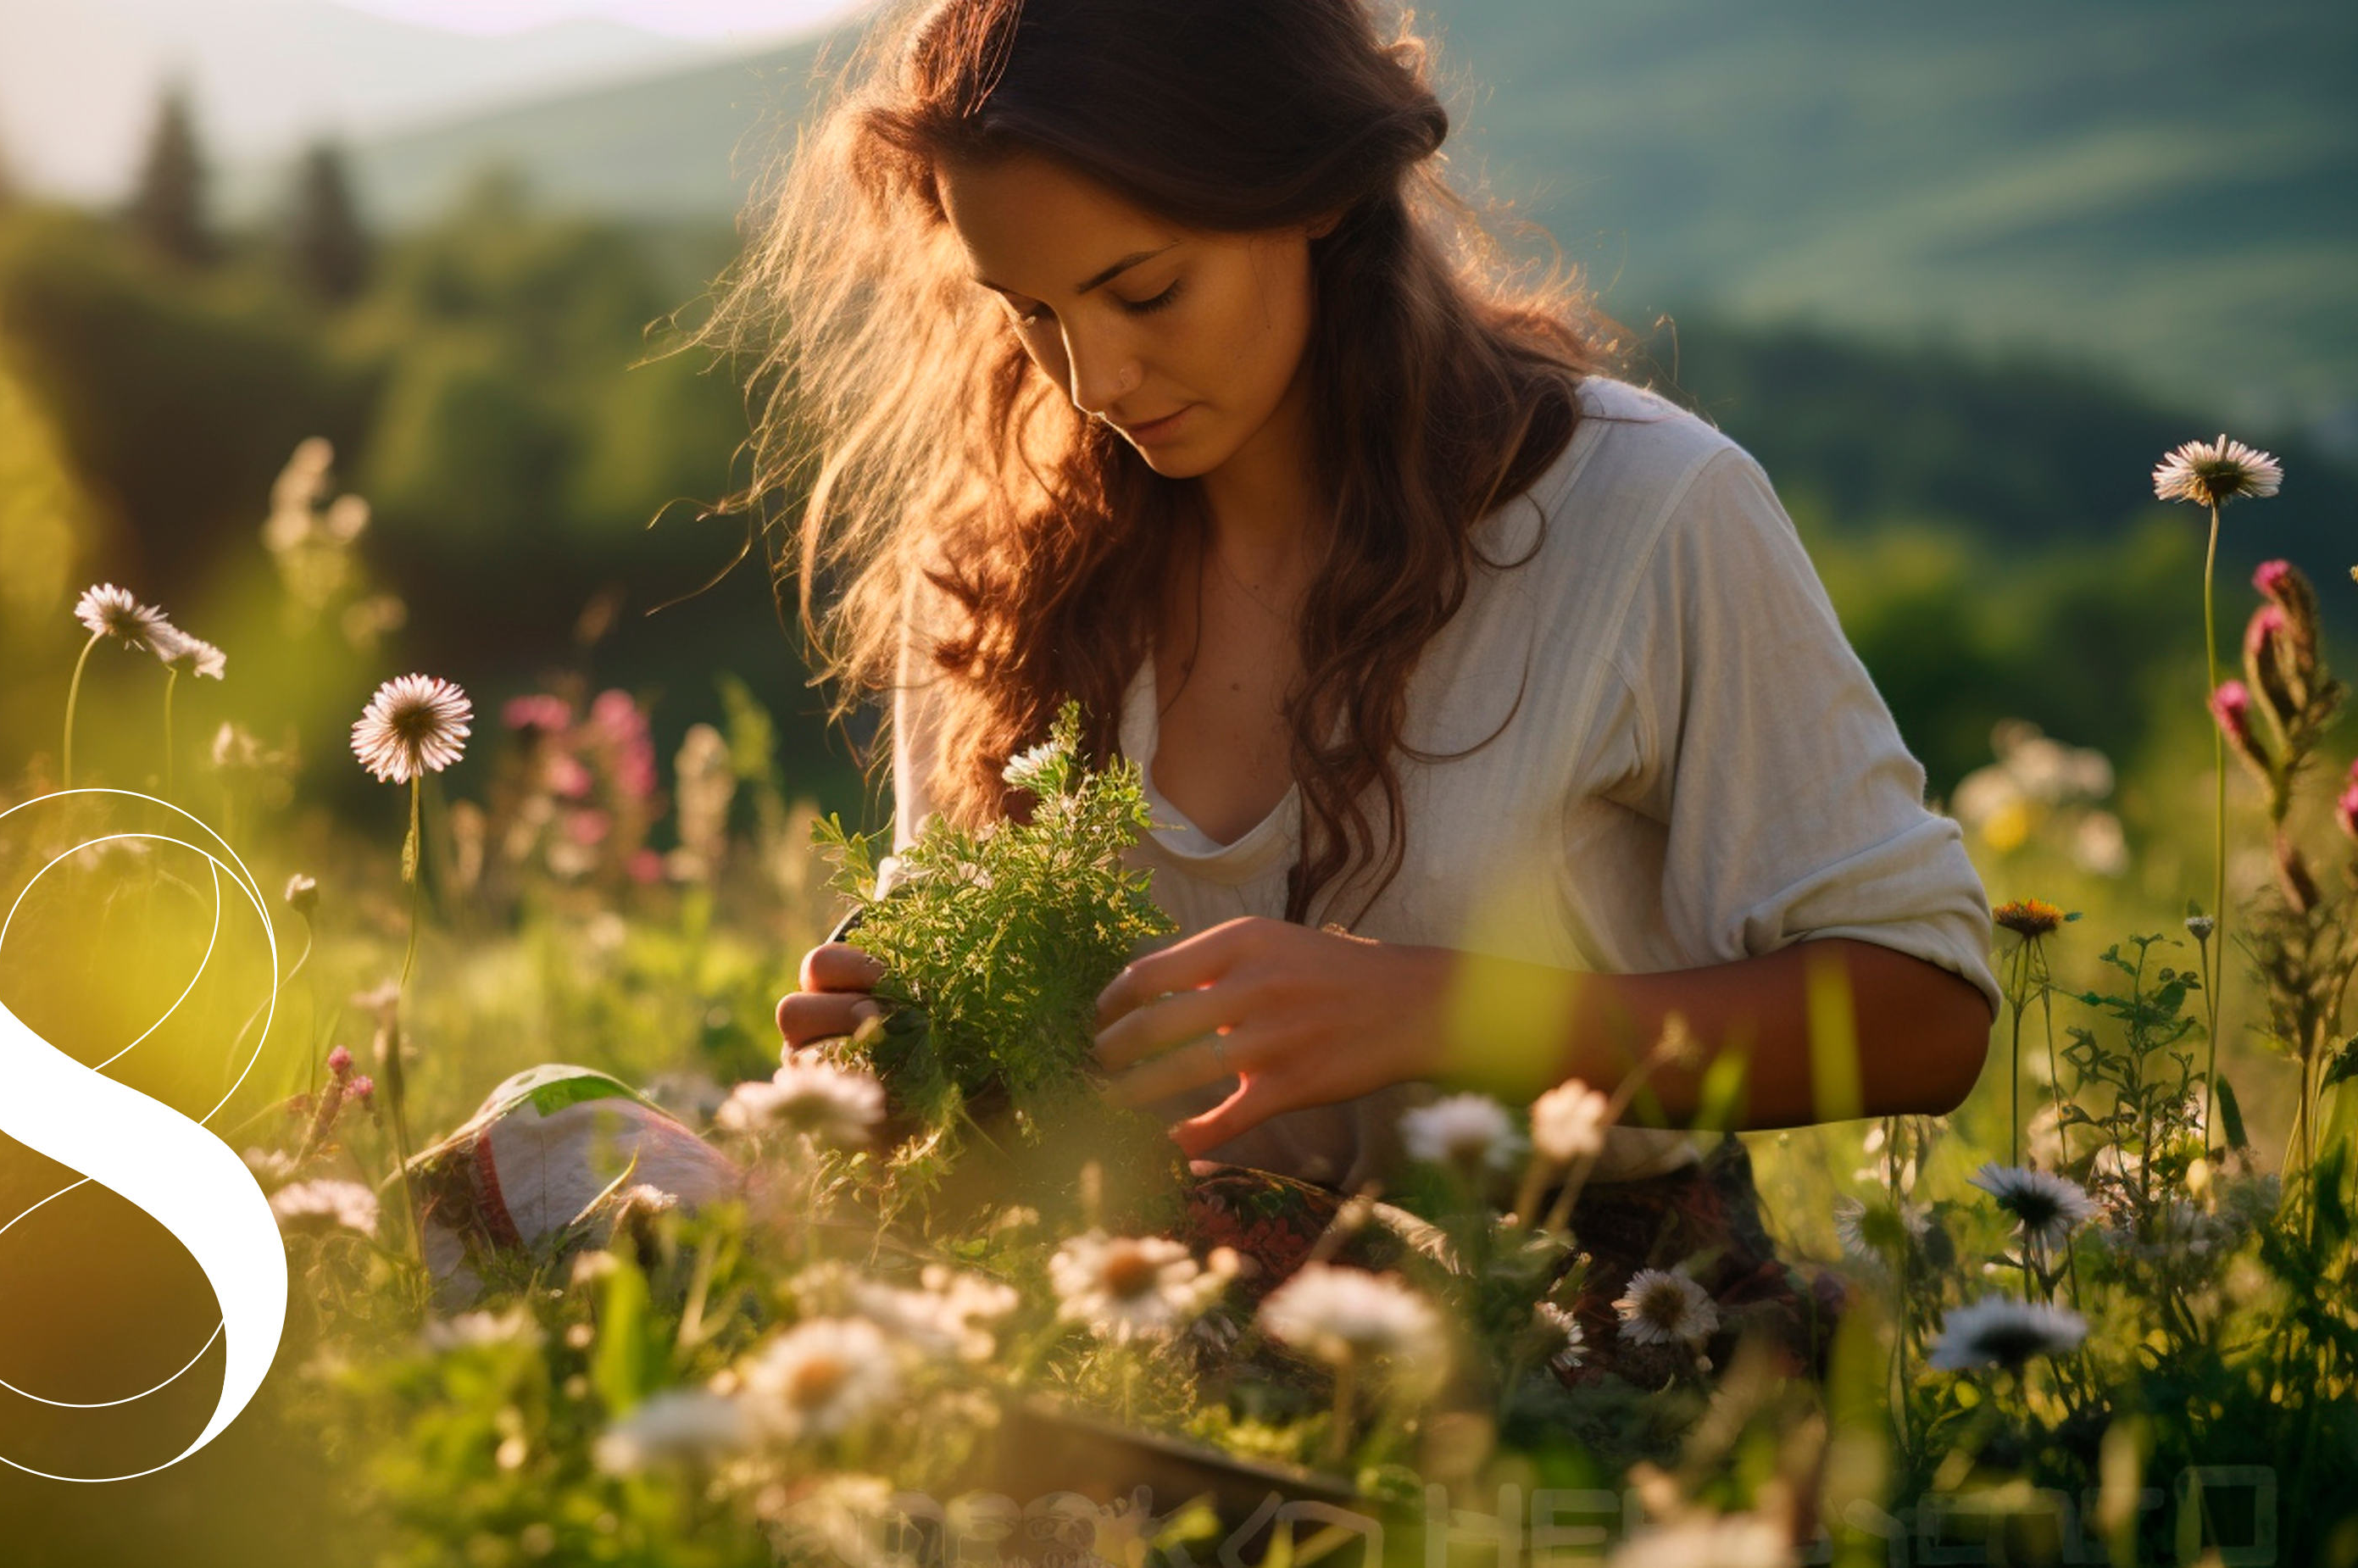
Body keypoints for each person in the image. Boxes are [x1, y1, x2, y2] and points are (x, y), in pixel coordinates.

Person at [703, 0, 2002, 1385]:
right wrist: (902, 1041)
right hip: (1127, 1284)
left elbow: (1925, 1012)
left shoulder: (1646, 512)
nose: (1095, 381)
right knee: (549, 1161)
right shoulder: (995, 569)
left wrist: (1447, 1011)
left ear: (1312, 190)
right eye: (1031, 314)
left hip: (1570, 1320)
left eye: (1144, 291)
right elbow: (989, 1049)